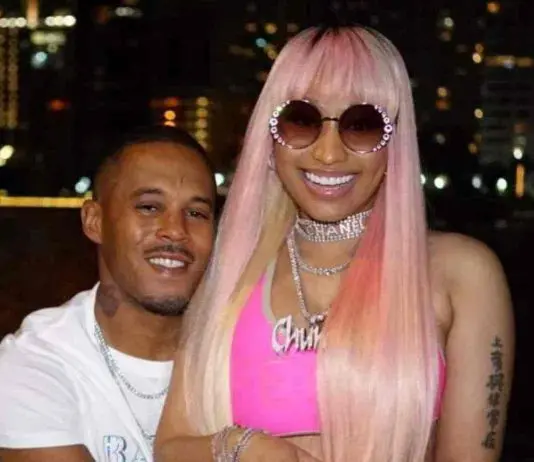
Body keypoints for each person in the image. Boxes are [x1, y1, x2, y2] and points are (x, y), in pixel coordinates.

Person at [154, 24, 515, 462]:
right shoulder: (230, 274)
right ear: (270, 135)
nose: (328, 153)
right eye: (301, 120)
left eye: (362, 125)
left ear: (395, 140)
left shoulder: (462, 274)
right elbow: (171, 447)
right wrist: (244, 448)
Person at [0, 126, 217, 462]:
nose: (176, 230)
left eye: (196, 213)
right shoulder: (36, 362)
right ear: (94, 221)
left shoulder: (246, 352)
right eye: (149, 207)